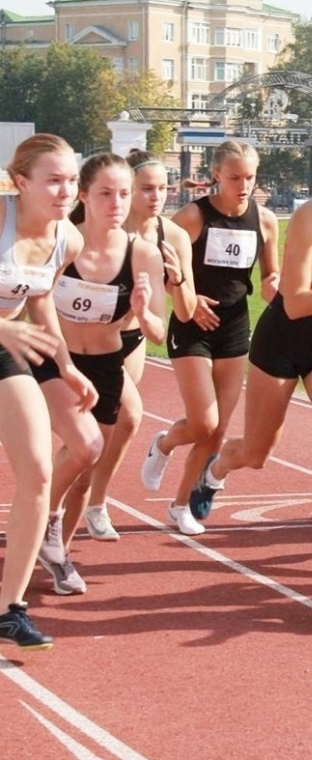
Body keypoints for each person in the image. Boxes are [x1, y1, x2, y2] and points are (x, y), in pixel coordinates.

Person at [186, 127, 312, 606]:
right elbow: (295, 302)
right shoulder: (310, 218)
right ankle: (216, 470)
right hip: (282, 339)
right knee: (257, 452)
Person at [37, 152, 166, 593]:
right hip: (53, 361)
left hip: (107, 366)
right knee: (74, 448)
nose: (117, 203)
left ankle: (59, 550)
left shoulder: (142, 253)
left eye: (124, 194)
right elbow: (35, 302)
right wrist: (62, 360)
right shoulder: (60, 241)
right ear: (85, 195)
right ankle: (42, 516)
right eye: (106, 194)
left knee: (87, 465)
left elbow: (159, 332)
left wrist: (143, 312)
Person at [139, 140, 279, 537]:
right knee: (204, 421)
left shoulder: (265, 221)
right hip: (192, 325)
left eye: (250, 177)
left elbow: (272, 275)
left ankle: (180, 505)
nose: (244, 185)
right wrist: (186, 295)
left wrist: (278, 285)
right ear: (216, 174)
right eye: (235, 177)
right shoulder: (192, 217)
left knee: (217, 430)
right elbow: (159, 267)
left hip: (235, 328)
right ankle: (165, 443)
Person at [0, 133, 97, 648]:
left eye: (72, 181)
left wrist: (67, 365)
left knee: (37, 471)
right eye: (53, 180)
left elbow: (40, 305)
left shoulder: (68, 238)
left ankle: (10, 607)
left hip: (5, 351)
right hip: (3, 338)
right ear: (21, 184)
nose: (66, 191)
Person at [81, 149, 196, 541]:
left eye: (163, 188)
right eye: (146, 189)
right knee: (117, 418)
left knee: (118, 425)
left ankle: (94, 502)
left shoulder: (174, 236)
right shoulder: (106, 224)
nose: (156, 197)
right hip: (87, 335)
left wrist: (178, 279)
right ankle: (73, 499)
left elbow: (187, 310)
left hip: (133, 340)